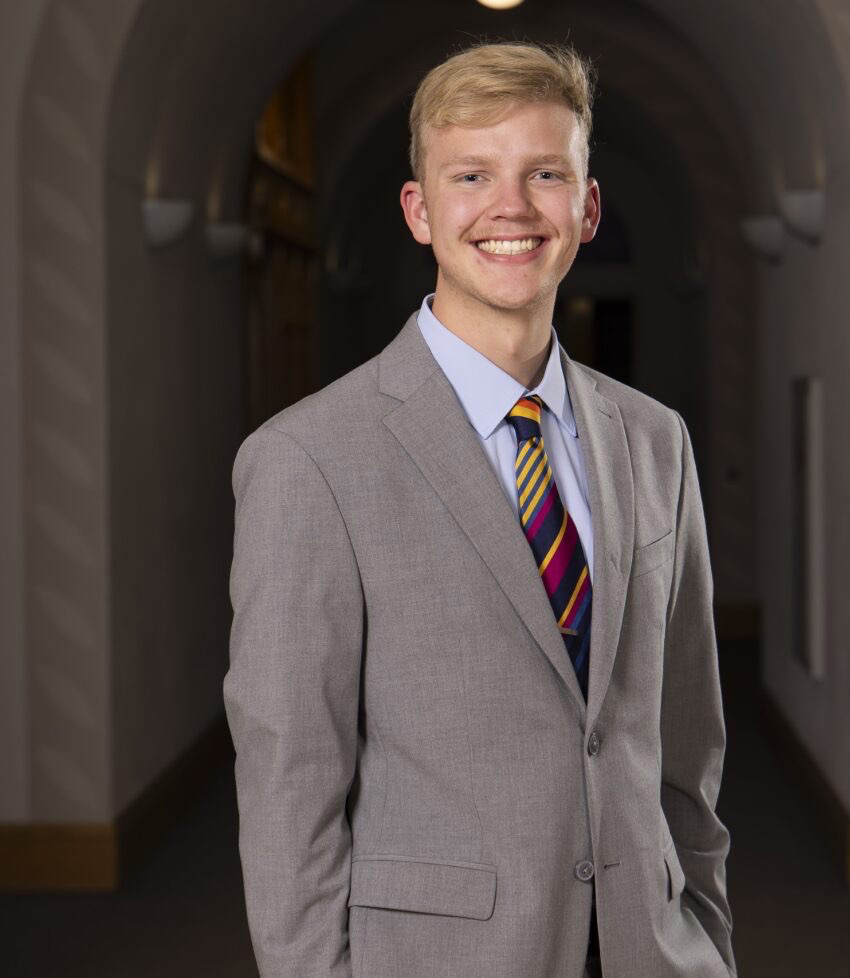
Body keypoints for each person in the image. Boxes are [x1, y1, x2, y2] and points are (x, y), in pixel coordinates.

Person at [224, 41, 736, 978]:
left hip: (654, 952)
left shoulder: (656, 441)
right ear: (421, 211)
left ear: (586, 209)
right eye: (472, 175)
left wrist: (707, 938)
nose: (512, 207)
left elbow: (689, 746)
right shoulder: (306, 462)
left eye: (545, 173)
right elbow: (291, 788)